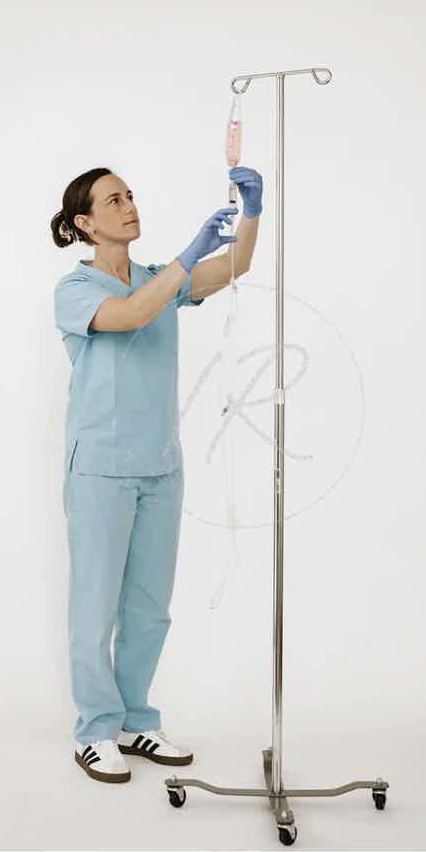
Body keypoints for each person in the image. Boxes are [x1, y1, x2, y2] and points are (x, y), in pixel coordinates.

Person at [50, 164, 262, 783]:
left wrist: (251, 214)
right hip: (100, 471)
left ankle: (138, 720)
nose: (129, 205)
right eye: (113, 200)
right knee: (95, 607)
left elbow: (235, 268)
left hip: (159, 466)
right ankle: (95, 728)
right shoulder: (76, 289)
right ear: (86, 223)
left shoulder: (157, 278)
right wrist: (185, 258)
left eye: (132, 194)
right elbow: (132, 314)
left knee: (148, 607)